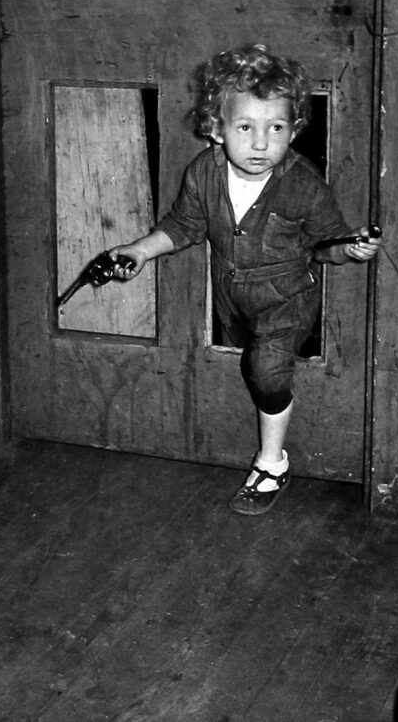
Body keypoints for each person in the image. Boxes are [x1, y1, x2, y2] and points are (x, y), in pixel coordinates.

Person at [108, 44, 381, 516]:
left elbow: (326, 246)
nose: (261, 144)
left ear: (293, 129)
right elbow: (182, 227)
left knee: (267, 369)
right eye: (245, 127)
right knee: (244, 361)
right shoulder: (204, 173)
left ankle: (271, 464)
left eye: (276, 128)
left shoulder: (302, 184)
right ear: (216, 129)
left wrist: (351, 247)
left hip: (288, 298)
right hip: (231, 299)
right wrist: (137, 250)